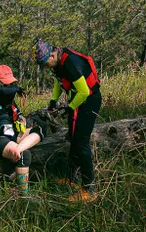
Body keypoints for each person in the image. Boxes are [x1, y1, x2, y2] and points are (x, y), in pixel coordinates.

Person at [34, 39, 101, 202]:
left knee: (81, 142)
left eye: (45, 63)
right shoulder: (58, 62)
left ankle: (89, 189)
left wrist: (69, 108)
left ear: (52, 54)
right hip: (78, 101)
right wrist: (53, 101)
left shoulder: (70, 62)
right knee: (72, 138)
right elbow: (60, 81)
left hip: (89, 101)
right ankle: (72, 179)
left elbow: (84, 91)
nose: (45, 67)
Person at [0, 65, 43, 194]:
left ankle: (18, 150)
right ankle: (23, 195)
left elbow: (16, 113)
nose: (9, 86)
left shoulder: (9, 98)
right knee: (24, 156)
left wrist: (20, 119)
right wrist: (16, 89)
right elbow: (1, 92)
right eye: (6, 83)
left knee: (40, 129)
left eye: (11, 83)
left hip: (12, 134)